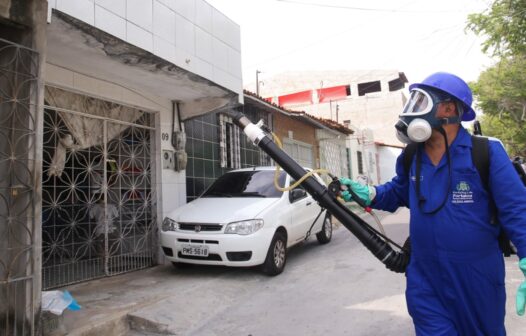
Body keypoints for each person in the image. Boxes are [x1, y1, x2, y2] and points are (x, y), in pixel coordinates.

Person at [339, 72, 526, 335]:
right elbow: (398, 193)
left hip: (477, 276)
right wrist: (369, 193)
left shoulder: (485, 153)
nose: (412, 111)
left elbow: (517, 210)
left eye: (421, 102)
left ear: (449, 109)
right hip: (425, 276)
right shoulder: (411, 156)